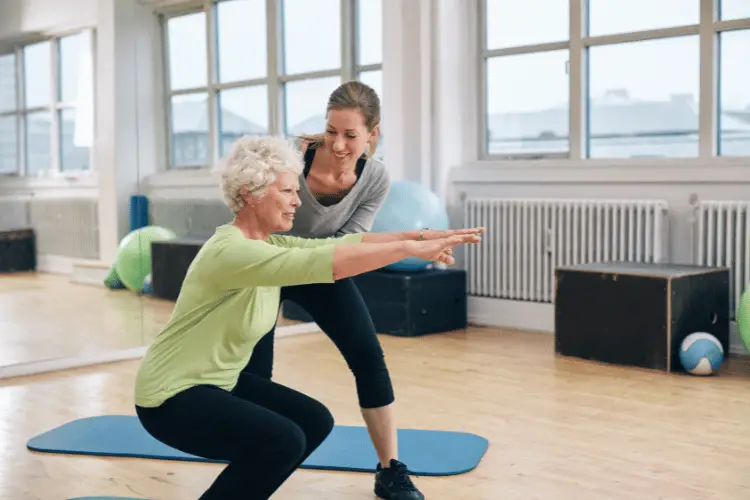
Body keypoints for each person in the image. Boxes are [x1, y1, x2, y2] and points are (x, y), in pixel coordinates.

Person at [133, 134, 483, 500]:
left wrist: (424, 235)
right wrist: (410, 250)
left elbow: (342, 245)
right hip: (170, 397)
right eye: (287, 192)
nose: (298, 201)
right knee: (282, 440)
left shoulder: (267, 243)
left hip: (218, 381)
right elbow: (328, 263)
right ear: (252, 193)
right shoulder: (231, 252)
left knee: (313, 421)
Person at [241, 80, 478, 500]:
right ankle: (251, 459)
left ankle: (390, 470)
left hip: (325, 267)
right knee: (255, 373)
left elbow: (348, 244)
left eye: (350, 134)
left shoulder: (375, 178)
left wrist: (412, 243)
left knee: (368, 358)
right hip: (270, 266)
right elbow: (255, 219)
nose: (338, 144)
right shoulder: (292, 159)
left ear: (373, 134)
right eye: (331, 130)